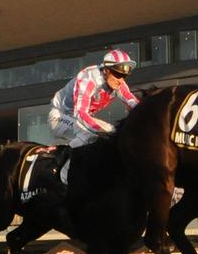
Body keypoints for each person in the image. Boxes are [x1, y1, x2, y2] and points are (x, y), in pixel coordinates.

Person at [48, 49, 139, 182]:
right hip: (59, 116)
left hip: (78, 118)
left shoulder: (119, 83)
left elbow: (133, 102)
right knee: (91, 134)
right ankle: (65, 176)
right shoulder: (89, 78)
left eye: (124, 76)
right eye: (117, 74)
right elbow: (81, 113)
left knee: (114, 132)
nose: (120, 79)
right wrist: (101, 132)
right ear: (106, 69)